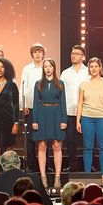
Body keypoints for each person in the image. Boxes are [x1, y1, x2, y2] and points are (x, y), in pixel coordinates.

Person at [76, 57, 103, 185]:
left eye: (96, 66)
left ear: (100, 68)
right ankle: (88, 177)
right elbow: (80, 103)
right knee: (88, 147)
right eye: (91, 66)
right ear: (89, 68)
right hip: (87, 118)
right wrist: (78, 120)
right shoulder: (83, 84)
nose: (93, 69)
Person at [31, 58, 67, 188]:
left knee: (57, 146)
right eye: (45, 66)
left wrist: (64, 120)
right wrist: (35, 120)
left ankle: (57, 177)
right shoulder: (38, 84)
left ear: (54, 68)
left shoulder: (60, 83)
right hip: (42, 115)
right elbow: (36, 103)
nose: (48, 68)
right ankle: (43, 177)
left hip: (56, 115)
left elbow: (63, 102)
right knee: (42, 146)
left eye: (50, 66)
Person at [60, 45, 90, 172]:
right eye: (72, 53)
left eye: (77, 53)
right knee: (70, 140)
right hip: (69, 111)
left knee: (87, 140)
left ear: (83, 57)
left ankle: (89, 165)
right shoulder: (65, 73)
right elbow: (61, 93)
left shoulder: (88, 71)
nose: (74, 56)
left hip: (86, 111)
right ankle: (73, 165)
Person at [20, 43, 45, 172]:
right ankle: (31, 165)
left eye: (40, 51)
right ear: (32, 54)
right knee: (30, 137)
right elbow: (23, 87)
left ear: (43, 53)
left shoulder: (47, 67)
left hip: (45, 107)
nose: (37, 54)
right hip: (30, 106)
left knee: (45, 137)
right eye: (35, 52)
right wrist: (23, 104)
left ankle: (44, 165)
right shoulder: (27, 69)